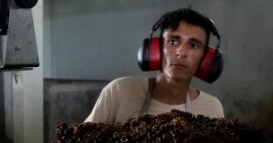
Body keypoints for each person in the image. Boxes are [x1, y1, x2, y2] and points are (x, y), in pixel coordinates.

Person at [85, 8, 224, 123]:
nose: (181, 52)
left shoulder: (211, 108)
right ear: (155, 49)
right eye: (173, 42)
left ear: (206, 59)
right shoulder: (119, 91)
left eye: (193, 45)